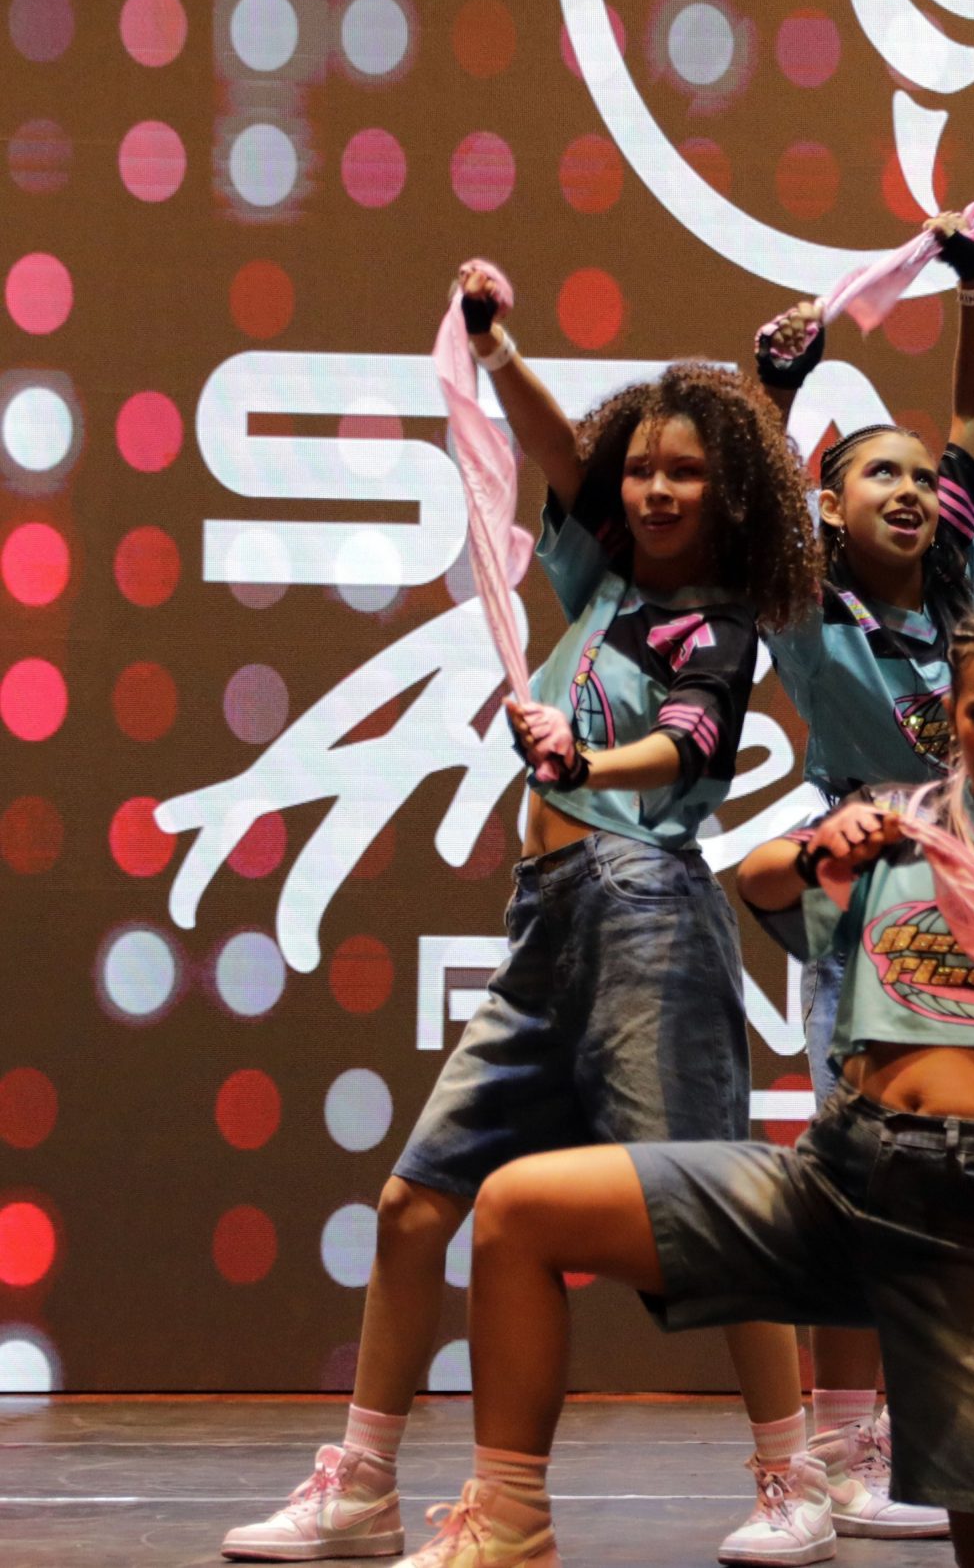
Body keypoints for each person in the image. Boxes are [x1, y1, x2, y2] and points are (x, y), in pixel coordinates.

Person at [222, 267, 831, 1565]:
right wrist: (498, 350)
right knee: (414, 1204)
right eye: (641, 468)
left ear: (727, 495)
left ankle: (797, 1478)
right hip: (545, 928)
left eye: (684, 473)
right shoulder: (600, 583)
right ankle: (364, 1488)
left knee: (713, 1216)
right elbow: (562, 455)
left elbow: (692, 742)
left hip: (649, 918)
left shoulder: (715, 625)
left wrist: (585, 762)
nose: (654, 489)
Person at [382, 599, 974, 1568]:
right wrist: (822, 848)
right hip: (838, 1180)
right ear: (953, 714)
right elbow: (763, 880)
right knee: (518, 1209)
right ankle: (511, 1521)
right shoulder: (898, 834)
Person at [729, 209, 974, 1541]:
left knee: (947, 1172)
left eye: (919, 475)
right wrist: (775, 391)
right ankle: (839, 1448)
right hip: (858, 896)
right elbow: (753, 498)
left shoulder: (955, 599)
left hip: (973, 894)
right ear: (829, 507)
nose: (908, 487)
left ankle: (901, 1435)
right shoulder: (805, 603)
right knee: (859, 1160)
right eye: (875, 473)